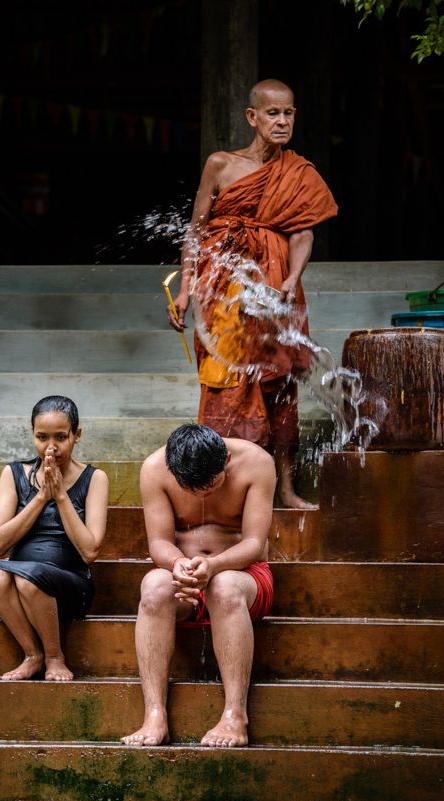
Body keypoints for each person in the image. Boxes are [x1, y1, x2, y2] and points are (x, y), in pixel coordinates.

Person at [167, 79, 338, 509]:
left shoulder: (298, 172)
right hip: (226, 294)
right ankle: (224, 492)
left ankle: (284, 488)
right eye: (273, 113)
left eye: (289, 113)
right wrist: (185, 289)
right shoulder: (221, 164)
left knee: (279, 387)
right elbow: (196, 230)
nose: (282, 122)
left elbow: (302, 233)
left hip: (277, 291)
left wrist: (288, 279)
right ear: (253, 117)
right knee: (227, 386)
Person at [122, 423, 276, 748]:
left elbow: (253, 542)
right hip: (185, 579)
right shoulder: (154, 469)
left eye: (212, 484)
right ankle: (154, 715)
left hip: (243, 577)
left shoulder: (257, 463)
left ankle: (236, 716)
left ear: (227, 458)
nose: (203, 495)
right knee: (153, 586)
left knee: (224, 587)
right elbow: (159, 543)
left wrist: (215, 566)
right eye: (192, 490)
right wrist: (178, 565)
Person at [0, 395, 109, 682]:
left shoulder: (94, 478)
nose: (50, 446)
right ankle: (32, 655)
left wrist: (61, 495)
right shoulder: (13, 474)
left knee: (30, 578)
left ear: (77, 435)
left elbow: (90, 551)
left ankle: (55, 656)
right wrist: (41, 497)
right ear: (32, 435)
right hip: (21, 579)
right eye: (42, 437)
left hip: (70, 584)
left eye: (60, 437)